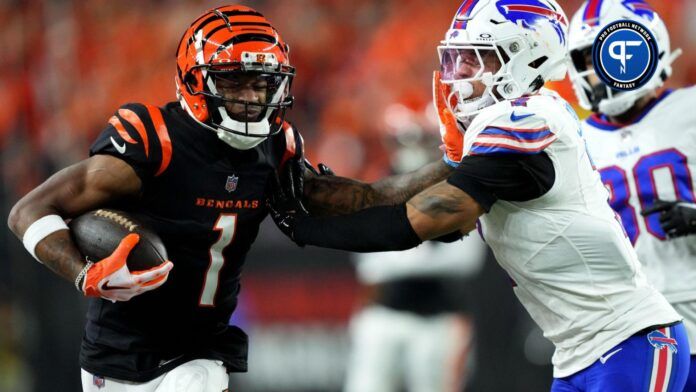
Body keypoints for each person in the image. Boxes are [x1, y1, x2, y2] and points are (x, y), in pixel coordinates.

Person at [6, 5, 453, 391]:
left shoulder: (276, 148)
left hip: (200, 349)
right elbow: (28, 211)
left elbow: (362, 198)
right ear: (194, 81)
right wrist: (84, 272)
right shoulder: (154, 139)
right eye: (236, 82)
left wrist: (455, 164)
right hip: (114, 350)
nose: (251, 98)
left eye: (261, 84)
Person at [269, 0, 691, 390]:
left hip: (628, 339)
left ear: (527, 55)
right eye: (457, 57)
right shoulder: (505, 130)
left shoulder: (528, 119)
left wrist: (306, 229)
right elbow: (391, 192)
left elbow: (416, 221)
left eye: (475, 57)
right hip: (580, 353)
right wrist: (311, 190)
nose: (459, 72)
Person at [567, 0, 696, 389]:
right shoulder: (573, 138)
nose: (595, 71)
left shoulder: (688, 109)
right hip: (630, 329)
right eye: (587, 59)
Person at [343, 127, 486, 392]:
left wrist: (400, 250)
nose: (412, 151)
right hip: (384, 314)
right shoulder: (375, 189)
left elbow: (466, 260)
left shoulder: (455, 192)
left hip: (439, 318)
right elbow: (368, 265)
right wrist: (422, 250)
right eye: (404, 142)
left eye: (422, 141)